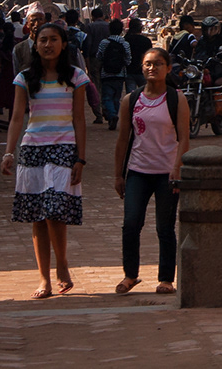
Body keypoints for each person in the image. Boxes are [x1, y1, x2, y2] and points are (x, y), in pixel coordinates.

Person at [1, 22, 88, 299]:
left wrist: (81, 159)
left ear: (63, 44)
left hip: (63, 148)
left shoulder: (76, 77)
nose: (48, 45)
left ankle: (62, 265)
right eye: (42, 40)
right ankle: (44, 279)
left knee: (55, 211)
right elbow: (17, 117)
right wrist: (9, 152)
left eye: (53, 40)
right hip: (32, 149)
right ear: (34, 44)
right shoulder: (24, 78)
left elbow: (79, 119)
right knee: (37, 216)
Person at [113, 47, 188, 295]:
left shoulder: (176, 99)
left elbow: (184, 138)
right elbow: (123, 139)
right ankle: (130, 275)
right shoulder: (131, 100)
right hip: (138, 170)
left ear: (168, 68)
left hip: (167, 173)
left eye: (157, 64)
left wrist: (177, 169)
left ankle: (166, 278)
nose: (151, 68)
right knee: (131, 223)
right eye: (147, 64)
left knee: (164, 228)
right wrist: (117, 174)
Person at [96, 20, 132, 130]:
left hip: (106, 74)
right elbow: (128, 60)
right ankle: (114, 115)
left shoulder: (104, 42)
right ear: (121, 30)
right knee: (117, 97)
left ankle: (112, 115)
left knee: (107, 97)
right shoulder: (125, 43)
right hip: (120, 74)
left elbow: (99, 56)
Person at [123, 19, 154, 96]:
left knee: (131, 95)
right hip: (142, 70)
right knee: (146, 94)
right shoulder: (146, 41)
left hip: (129, 70)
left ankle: (133, 107)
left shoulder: (126, 40)